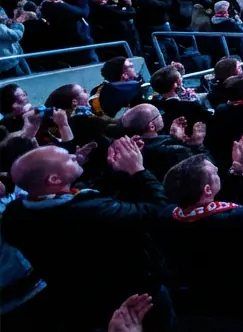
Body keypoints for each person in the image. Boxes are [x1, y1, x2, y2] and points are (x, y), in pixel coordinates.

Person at [3, 139, 171, 330]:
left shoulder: (14, 214)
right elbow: (159, 211)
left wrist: (115, 172)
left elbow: (88, 196)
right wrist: (138, 170)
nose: (75, 156)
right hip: (135, 299)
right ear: (54, 180)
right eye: (68, 158)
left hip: (81, 300)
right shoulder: (87, 213)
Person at [159, 139, 243, 330]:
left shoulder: (169, 216)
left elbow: (213, 209)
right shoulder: (238, 220)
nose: (217, 169)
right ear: (207, 190)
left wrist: (236, 171)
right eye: (215, 173)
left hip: (213, 302)